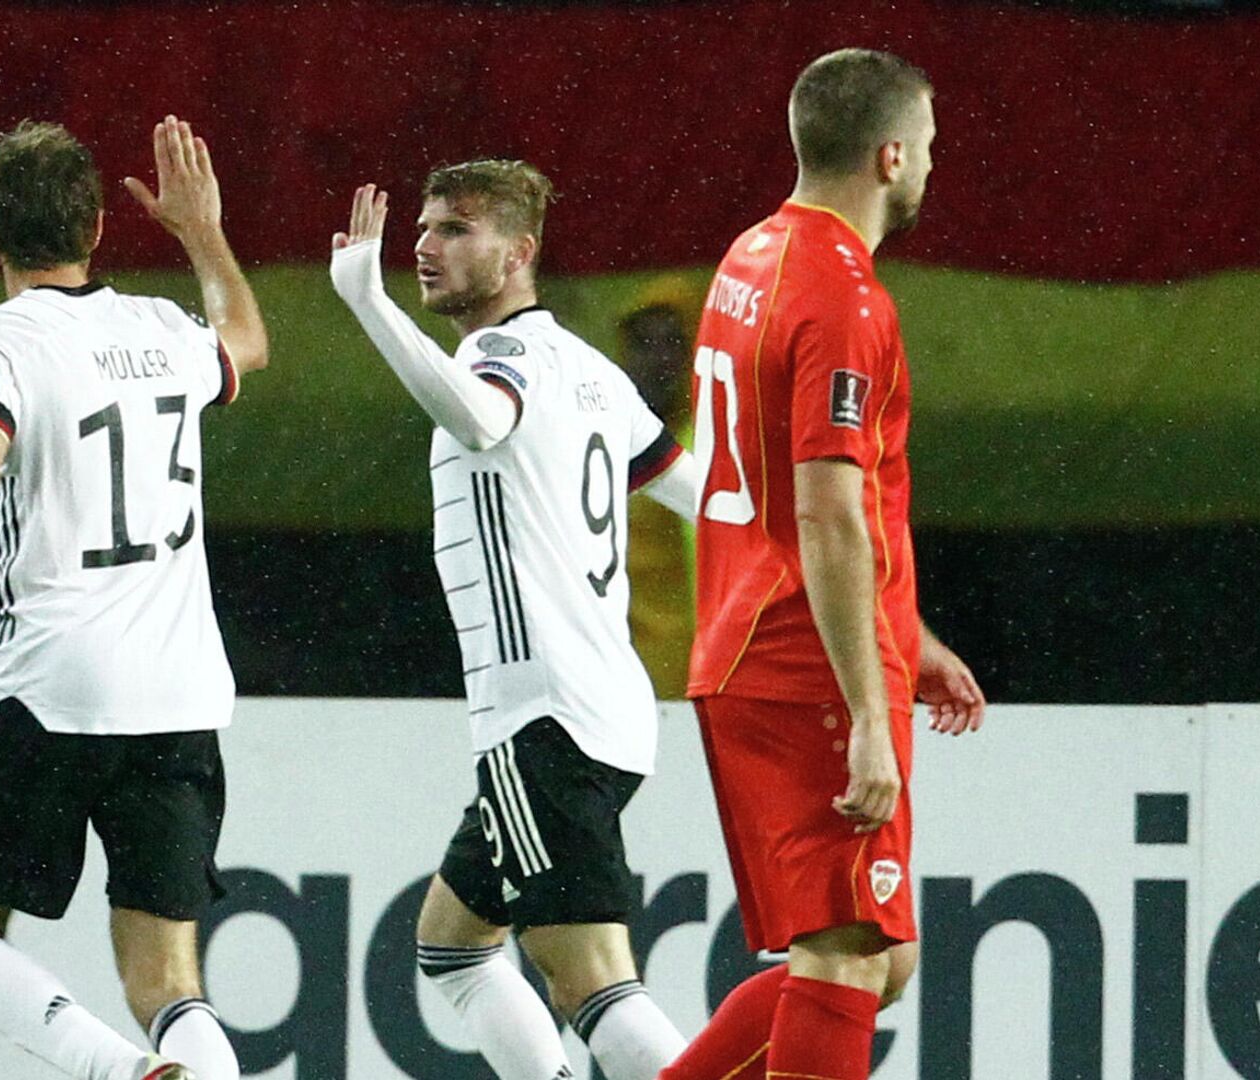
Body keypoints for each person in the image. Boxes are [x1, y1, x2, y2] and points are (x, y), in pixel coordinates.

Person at [0, 116, 268, 1080]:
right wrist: (201, 233)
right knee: (166, 976)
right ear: (100, 229)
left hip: (53, 688)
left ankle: (119, 1072)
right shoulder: (164, 331)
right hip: (180, 693)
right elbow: (248, 339)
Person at [329, 162, 701, 1080]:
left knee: (593, 986)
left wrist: (371, 306)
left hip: (547, 719)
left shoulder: (498, 362)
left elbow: (478, 420)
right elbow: (708, 501)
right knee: (453, 947)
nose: (424, 245)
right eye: (424, 227)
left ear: (519, 252)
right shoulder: (594, 373)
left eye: (456, 229)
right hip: (598, 713)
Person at [659, 49, 986, 1080]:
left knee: (881, 960)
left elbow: (785, 487)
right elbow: (829, 511)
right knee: (846, 954)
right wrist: (870, 719)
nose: (933, 164)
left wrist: (909, 637)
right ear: (891, 155)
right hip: (806, 660)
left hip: (755, 633)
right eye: (928, 147)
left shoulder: (751, 254)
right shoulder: (844, 297)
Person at [615, 279, 703, 699]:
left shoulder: (712, 444)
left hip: (697, 669)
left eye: (673, 342)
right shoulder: (602, 440)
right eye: (643, 343)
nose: (657, 359)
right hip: (619, 670)